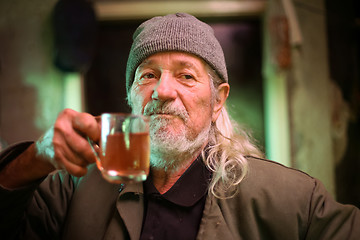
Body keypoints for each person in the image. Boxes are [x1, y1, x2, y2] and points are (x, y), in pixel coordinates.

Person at [0, 13, 359, 240]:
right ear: (131, 96)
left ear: (218, 100)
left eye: (186, 75)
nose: (162, 91)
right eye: (148, 75)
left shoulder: (293, 201)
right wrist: (36, 157)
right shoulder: (72, 189)